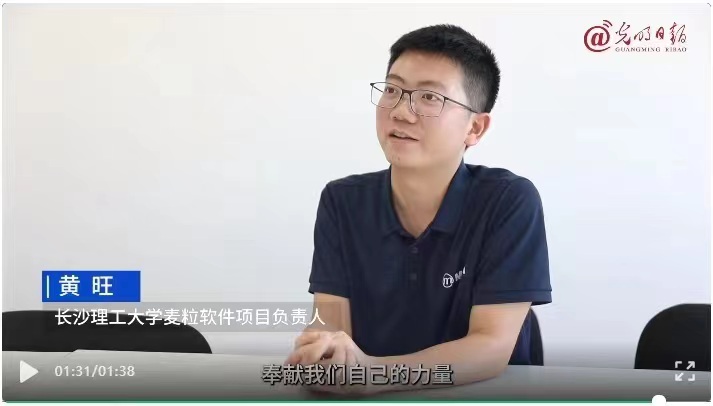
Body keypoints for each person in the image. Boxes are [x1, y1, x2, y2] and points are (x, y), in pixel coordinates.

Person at [285, 24, 552, 395]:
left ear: (475, 128)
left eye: (429, 97)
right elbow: (332, 324)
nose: (401, 112)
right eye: (392, 90)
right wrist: (322, 351)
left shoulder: (508, 201)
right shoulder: (342, 201)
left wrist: (375, 375)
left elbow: (491, 346)